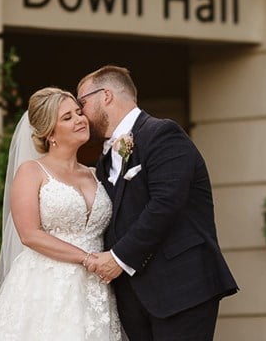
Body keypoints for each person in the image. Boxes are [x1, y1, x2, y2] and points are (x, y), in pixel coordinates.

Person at [78, 65, 238, 341]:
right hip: (134, 297)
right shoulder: (102, 161)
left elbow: (166, 204)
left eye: (82, 103)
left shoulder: (163, 135)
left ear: (105, 96)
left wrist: (118, 259)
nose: (81, 113)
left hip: (181, 289)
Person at [0, 87, 123, 341]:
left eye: (79, 112)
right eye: (67, 117)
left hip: (95, 289)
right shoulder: (31, 172)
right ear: (49, 133)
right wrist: (86, 259)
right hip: (46, 285)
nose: (79, 119)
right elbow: (29, 234)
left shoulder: (95, 173)